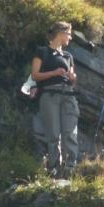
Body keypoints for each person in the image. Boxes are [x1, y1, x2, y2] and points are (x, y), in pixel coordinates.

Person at [31, 21, 79, 176]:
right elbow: (35, 75)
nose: (70, 37)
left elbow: (73, 80)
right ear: (61, 33)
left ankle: (70, 168)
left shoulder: (68, 56)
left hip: (68, 94)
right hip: (49, 95)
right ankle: (54, 168)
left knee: (70, 132)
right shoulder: (42, 52)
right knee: (53, 134)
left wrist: (72, 77)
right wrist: (54, 73)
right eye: (69, 34)